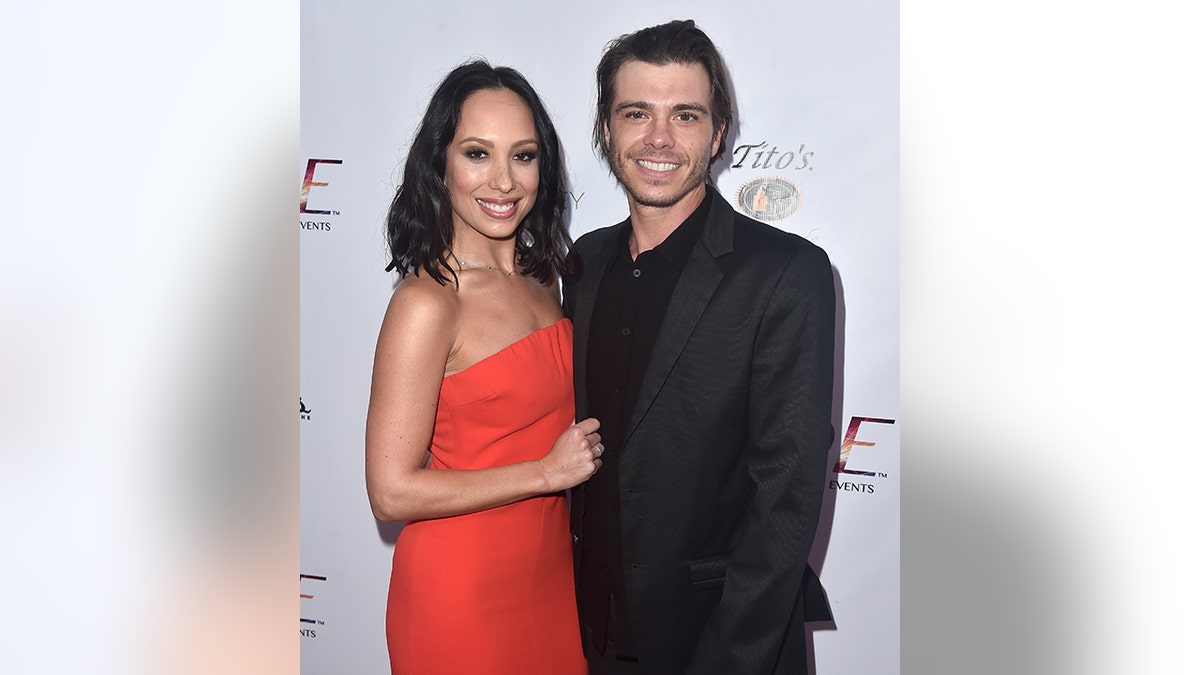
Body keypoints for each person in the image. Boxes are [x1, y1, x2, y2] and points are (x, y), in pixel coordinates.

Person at [563, 20, 836, 674]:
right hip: (588, 637)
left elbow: (785, 498)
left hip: (718, 644)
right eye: (637, 113)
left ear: (717, 135)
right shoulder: (584, 261)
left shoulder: (785, 273)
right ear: (607, 128)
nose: (659, 138)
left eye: (685, 115)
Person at [365, 60, 603, 675]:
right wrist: (544, 472)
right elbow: (391, 491)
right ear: (439, 165)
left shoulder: (542, 278)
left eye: (523, 156)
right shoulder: (427, 302)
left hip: (549, 582)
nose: (503, 181)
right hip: (460, 596)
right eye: (477, 153)